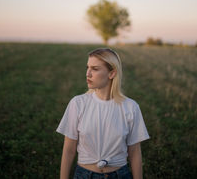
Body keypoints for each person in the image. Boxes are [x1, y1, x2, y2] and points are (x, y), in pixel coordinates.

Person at [56, 48, 150, 179]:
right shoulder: (78, 103)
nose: (88, 74)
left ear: (112, 73)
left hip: (120, 175)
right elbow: (69, 150)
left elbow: (134, 152)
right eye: (87, 67)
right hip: (84, 175)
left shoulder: (130, 107)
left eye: (95, 69)